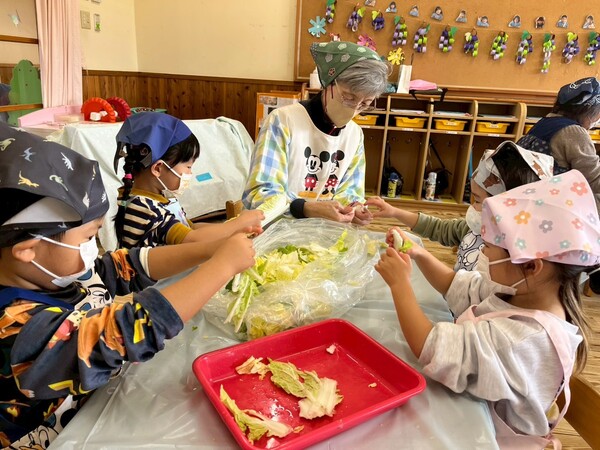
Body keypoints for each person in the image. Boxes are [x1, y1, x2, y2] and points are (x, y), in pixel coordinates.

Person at [0, 124, 256, 448]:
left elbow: (128, 265)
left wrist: (209, 250)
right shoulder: (13, 328)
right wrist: (221, 267)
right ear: (27, 250)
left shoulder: (56, 272)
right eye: (89, 237)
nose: (94, 249)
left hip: (100, 411)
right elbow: (121, 331)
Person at [376, 169, 599, 447]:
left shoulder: (521, 339)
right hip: (474, 411)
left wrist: (400, 285)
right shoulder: (521, 290)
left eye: (492, 246)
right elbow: (455, 285)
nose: (483, 251)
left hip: (491, 438)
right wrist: (419, 253)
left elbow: (430, 347)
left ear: (531, 266)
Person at [243, 41, 390, 225]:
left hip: (322, 232)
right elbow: (260, 195)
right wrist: (306, 208)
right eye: (348, 97)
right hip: (275, 229)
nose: (354, 109)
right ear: (329, 83)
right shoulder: (283, 121)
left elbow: (350, 191)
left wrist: (354, 209)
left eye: (365, 104)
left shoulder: (355, 135)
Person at [366, 141, 554, 271]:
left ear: (505, 208)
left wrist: (416, 259)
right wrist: (394, 212)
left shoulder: (512, 261)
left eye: (477, 201)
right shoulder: (473, 230)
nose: (471, 207)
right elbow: (438, 228)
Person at [114, 112, 263, 248]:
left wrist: (233, 229)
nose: (190, 173)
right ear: (158, 168)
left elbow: (191, 228)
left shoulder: (158, 198)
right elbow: (192, 239)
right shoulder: (145, 209)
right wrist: (238, 223)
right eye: (188, 166)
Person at [517, 77, 600, 210]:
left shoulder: (545, 122)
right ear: (589, 111)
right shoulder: (574, 132)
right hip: (550, 204)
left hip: (525, 197)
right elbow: (593, 180)